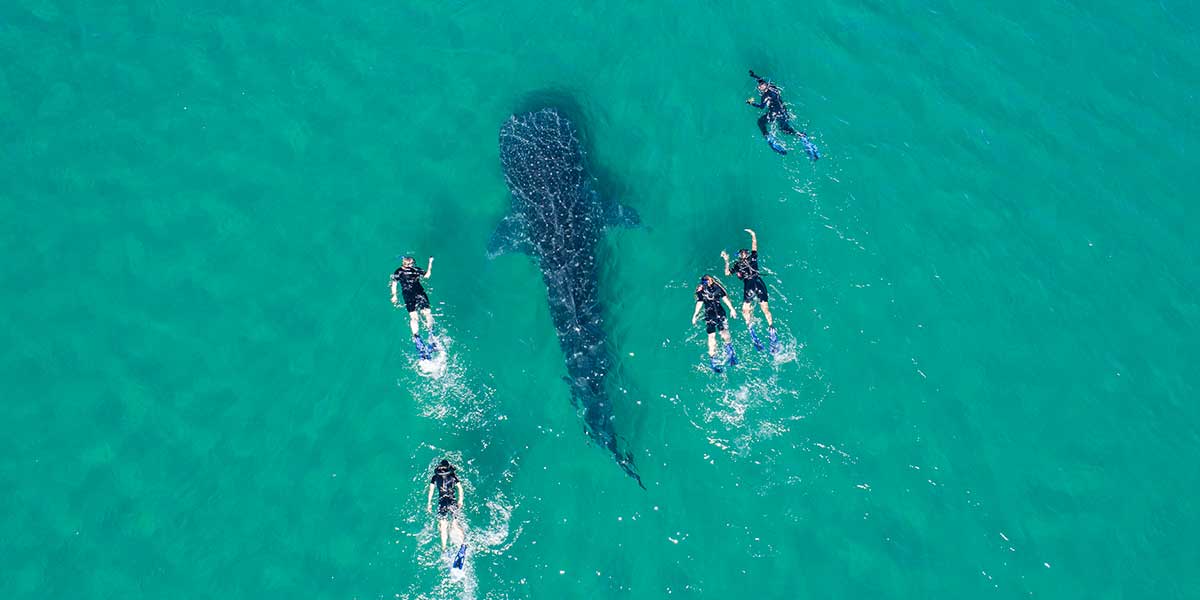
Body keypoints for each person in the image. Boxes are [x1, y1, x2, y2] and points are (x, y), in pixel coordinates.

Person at [722, 229, 776, 351]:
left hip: (750, 286)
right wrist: (753, 235)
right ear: (746, 254)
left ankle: (750, 328)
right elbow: (754, 246)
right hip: (760, 283)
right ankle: (771, 327)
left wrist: (726, 260)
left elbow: (726, 273)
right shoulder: (753, 258)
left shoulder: (737, 265)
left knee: (745, 310)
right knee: (766, 309)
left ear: (740, 256)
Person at [745, 70, 813, 156]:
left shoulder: (765, 96)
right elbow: (761, 80)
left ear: (764, 87)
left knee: (760, 122)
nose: (759, 87)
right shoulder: (773, 87)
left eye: (760, 87)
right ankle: (801, 135)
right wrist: (754, 76)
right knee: (784, 129)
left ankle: (769, 138)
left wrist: (751, 103)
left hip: (774, 114)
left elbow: (762, 107)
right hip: (783, 111)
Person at [692, 275, 738, 369]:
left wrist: (732, 309)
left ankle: (729, 349)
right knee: (711, 336)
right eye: (705, 281)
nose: (707, 283)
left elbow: (725, 299)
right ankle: (713, 358)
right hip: (709, 316)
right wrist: (695, 315)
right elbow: (699, 303)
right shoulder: (701, 291)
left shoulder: (718, 288)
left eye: (708, 280)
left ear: (711, 280)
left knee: (723, 333)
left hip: (720, 314)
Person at [391, 256, 435, 339]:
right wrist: (430, 262)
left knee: (413, 317)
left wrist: (394, 295)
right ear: (410, 264)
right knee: (427, 312)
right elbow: (427, 276)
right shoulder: (416, 269)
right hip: (419, 292)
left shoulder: (398, 272)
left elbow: (394, 284)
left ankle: (416, 336)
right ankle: (431, 331)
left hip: (408, 294)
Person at [427, 459, 464, 551]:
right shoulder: (453, 476)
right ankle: (463, 544)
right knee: (455, 524)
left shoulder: (435, 477)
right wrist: (460, 500)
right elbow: (460, 488)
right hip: (452, 501)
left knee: (443, 526)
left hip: (442, 502)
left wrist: (429, 503)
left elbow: (431, 490)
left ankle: (444, 549)